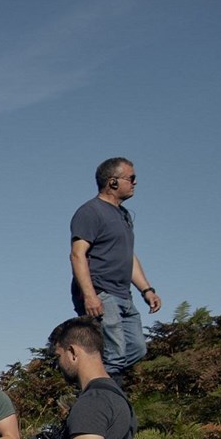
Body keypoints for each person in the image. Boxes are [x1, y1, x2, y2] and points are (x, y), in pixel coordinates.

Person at [70, 157, 163, 377]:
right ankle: (106, 401)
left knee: (137, 349)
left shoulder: (124, 215)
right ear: (112, 182)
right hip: (101, 291)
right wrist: (90, 296)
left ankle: (92, 383)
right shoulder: (90, 212)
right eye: (131, 178)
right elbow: (77, 254)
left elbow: (127, 256)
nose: (135, 182)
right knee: (115, 354)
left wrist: (147, 290)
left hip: (124, 294)